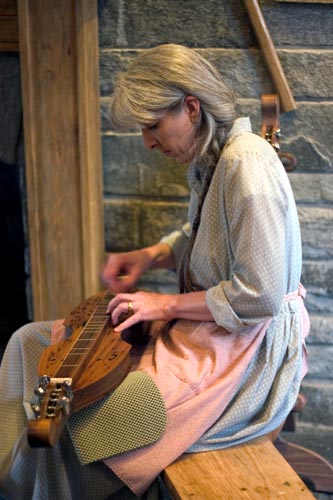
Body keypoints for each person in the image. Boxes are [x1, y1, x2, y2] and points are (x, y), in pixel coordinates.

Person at [0, 44, 309, 500]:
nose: (147, 141)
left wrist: (162, 304)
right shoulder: (216, 159)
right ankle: (19, 472)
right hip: (210, 331)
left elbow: (259, 297)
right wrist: (149, 254)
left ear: (190, 107)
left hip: (248, 347)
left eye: (152, 125)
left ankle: (47, 481)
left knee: (99, 419)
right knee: (28, 340)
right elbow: (204, 234)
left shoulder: (247, 164)